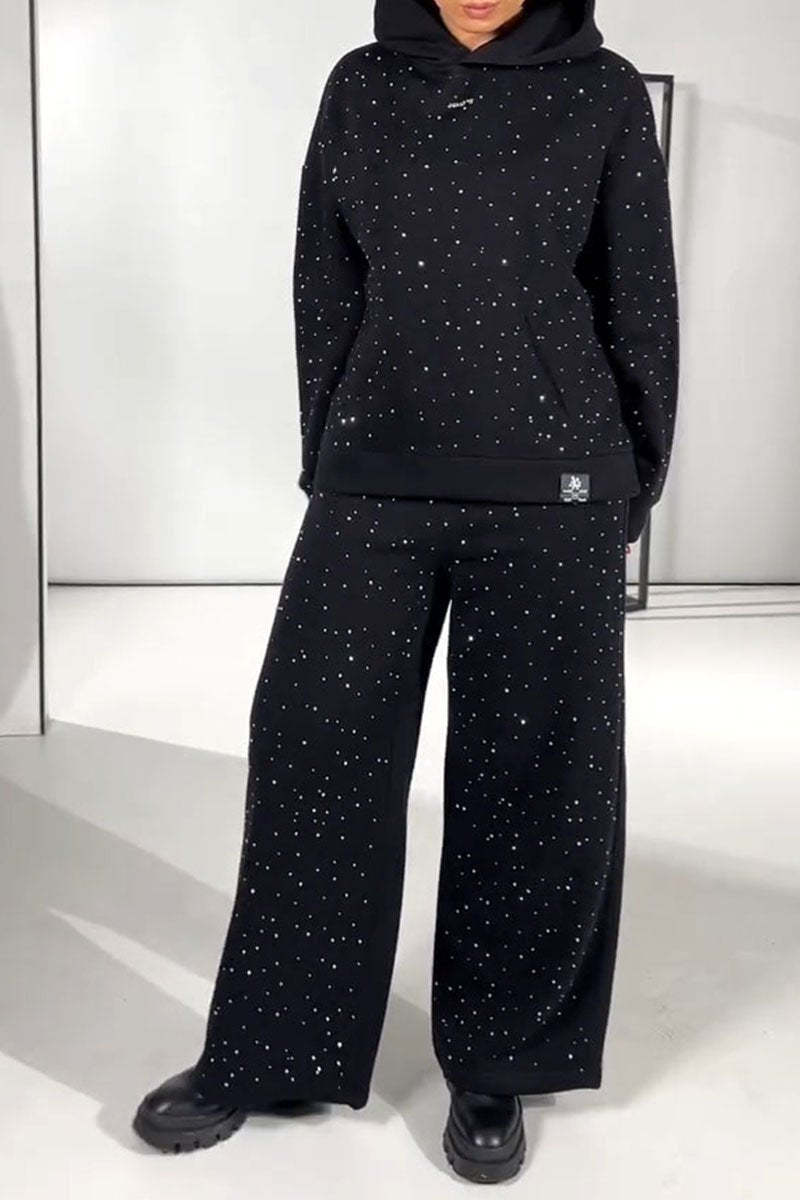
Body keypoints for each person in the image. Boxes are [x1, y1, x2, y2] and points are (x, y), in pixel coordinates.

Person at [132, 0, 679, 1183]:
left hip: (555, 485)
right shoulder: (362, 83)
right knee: (313, 746)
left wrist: (628, 483)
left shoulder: (600, 93)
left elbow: (637, 294)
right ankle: (274, 1050)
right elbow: (322, 275)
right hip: (374, 474)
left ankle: (498, 1061)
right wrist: (328, 448)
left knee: (534, 777)